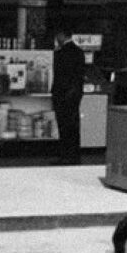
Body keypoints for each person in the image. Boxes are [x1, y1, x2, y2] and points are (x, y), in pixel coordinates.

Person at [50, 29, 85, 164]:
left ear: (61, 35)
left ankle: (65, 155)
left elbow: (59, 77)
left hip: (62, 94)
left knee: (64, 126)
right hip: (75, 95)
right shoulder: (79, 52)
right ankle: (74, 155)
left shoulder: (60, 54)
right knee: (74, 126)